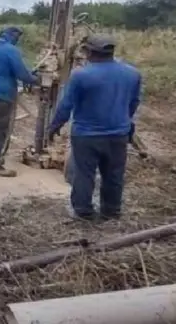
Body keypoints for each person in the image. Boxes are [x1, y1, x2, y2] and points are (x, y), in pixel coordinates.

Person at [47, 34, 142, 221]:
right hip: (118, 134)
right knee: (114, 174)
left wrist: (55, 126)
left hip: (86, 135)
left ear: (89, 52)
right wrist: (124, 122)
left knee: (84, 174)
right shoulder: (132, 73)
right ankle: (111, 211)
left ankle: (83, 212)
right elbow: (134, 102)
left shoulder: (81, 75)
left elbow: (66, 105)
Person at [0, 26, 39, 177]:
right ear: (13, 36)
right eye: (17, 37)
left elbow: (1, 69)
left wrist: (30, 74)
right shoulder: (10, 50)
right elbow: (22, 74)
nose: (17, 40)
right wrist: (37, 79)